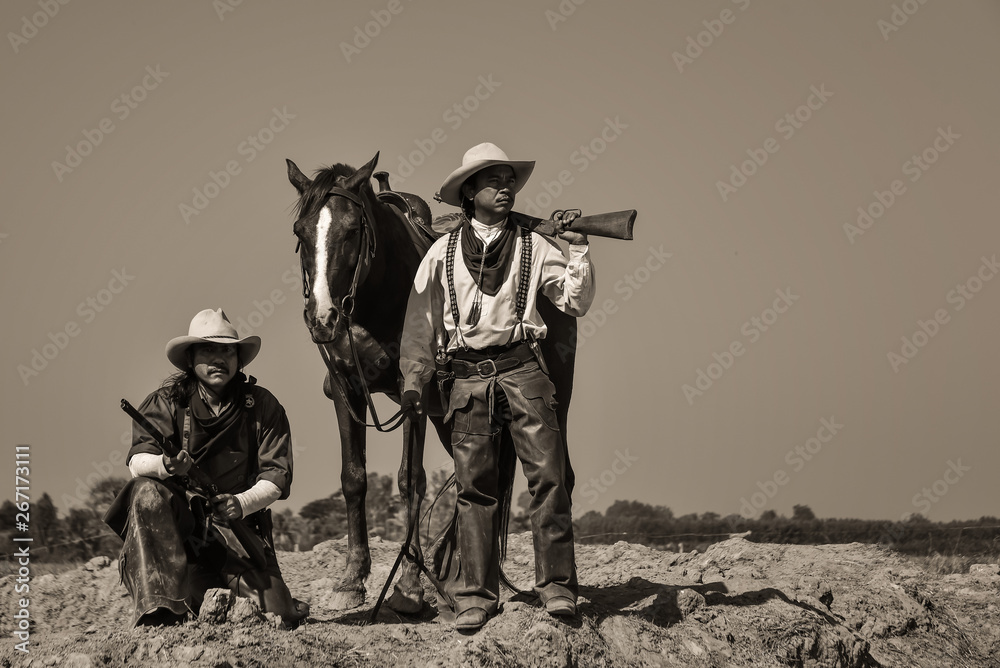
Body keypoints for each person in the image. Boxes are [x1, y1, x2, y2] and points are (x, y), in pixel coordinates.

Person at [399, 142, 595, 632]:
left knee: (549, 481)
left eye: (509, 179)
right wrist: (414, 383)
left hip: (525, 373)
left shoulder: (536, 244)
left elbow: (574, 302)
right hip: (466, 381)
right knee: (475, 491)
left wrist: (580, 248)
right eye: (494, 180)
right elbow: (420, 329)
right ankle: (476, 596)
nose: (506, 187)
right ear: (469, 193)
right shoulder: (440, 253)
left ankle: (557, 589)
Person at [104, 308, 308, 627]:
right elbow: (137, 463)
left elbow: (276, 478)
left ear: (239, 359)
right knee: (146, 490)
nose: (218, 358)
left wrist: (240, 504)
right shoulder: (165, 402)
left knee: (277, 615)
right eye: (208, 349)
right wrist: (165, 465)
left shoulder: (264, 405)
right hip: (181, 527)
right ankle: (159, 610)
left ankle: (200, 596)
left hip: (236, 532)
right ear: (190, 359)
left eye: (227, 350)